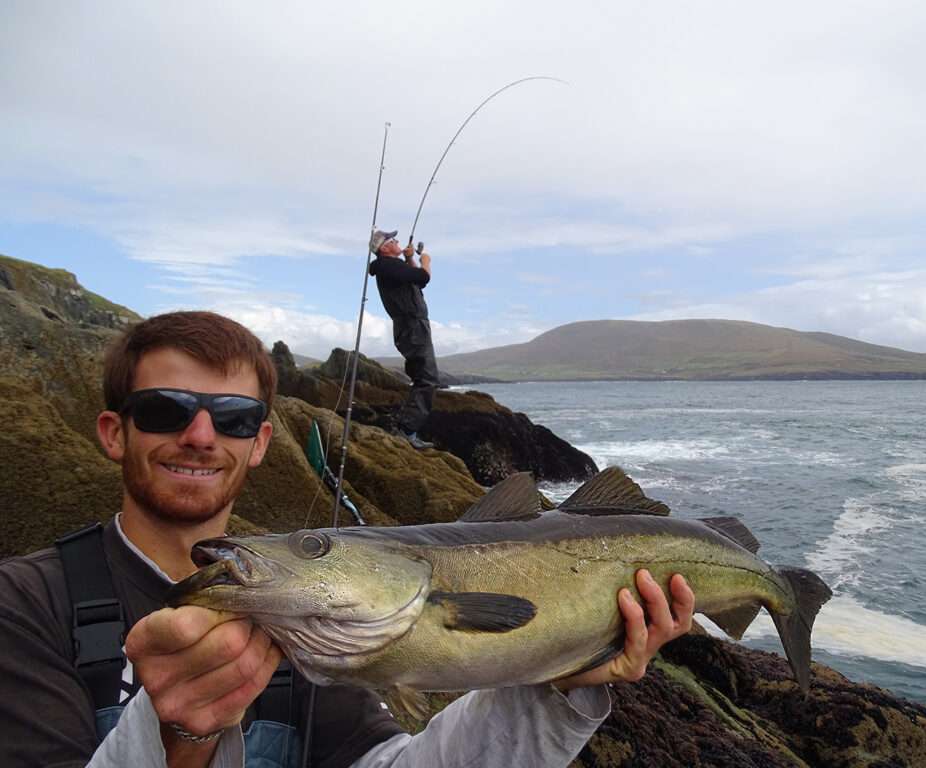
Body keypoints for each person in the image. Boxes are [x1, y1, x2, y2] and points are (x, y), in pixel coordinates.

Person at [0, 310, 696, 768]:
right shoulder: (26, 604)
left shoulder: (310, 613)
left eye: (235, 418)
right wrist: (174, 736)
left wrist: (554, 683)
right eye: (165, 410)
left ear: (263, 442)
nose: (201, 436)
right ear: (113, 431)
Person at [368, 229, 439, 450]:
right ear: (384, 247)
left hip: (411, 326)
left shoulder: (392, 267)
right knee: (427, 379)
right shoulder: (389, 266)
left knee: (422, 376)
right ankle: (407, 430)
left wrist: (409, 258)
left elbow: (418, 283)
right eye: (393, 240)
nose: (397, 241)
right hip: (412, 326)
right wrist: (425, 260)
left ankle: (408, 429)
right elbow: (423, 277)